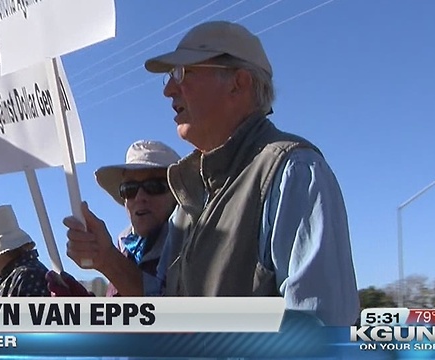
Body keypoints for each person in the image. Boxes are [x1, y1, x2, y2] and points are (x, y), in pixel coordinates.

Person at [138, 20, 359, 326]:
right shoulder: (191, 193)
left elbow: (320, 334)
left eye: (182, 72)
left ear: (237, 83)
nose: (169, 90)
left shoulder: (293, 173)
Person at [48, 140, 180, 296]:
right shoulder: (125, 248)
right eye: (129, 189)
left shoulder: (190, 245)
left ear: (177, 194)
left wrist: (108, 260)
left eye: (154, 185)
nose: (140, 197)